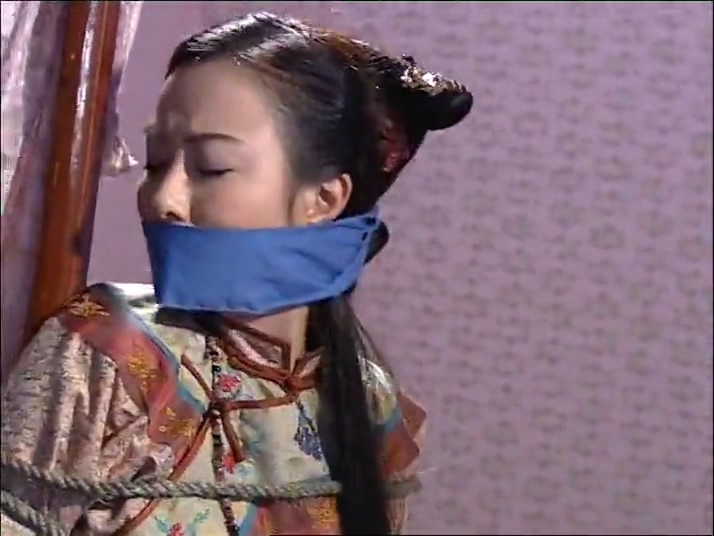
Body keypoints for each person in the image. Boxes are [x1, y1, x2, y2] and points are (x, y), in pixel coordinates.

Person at [0, 11, 472, 536]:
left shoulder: (374, 408)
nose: (164, 199)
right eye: (156, 163)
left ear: (323, 199)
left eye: (211, 167)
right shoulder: (108, 352)